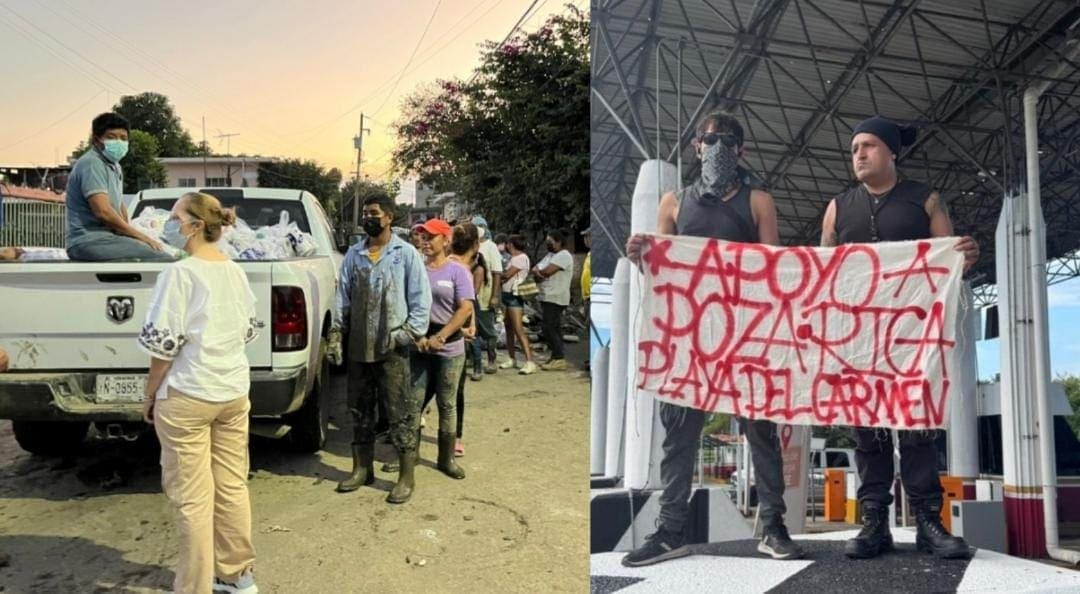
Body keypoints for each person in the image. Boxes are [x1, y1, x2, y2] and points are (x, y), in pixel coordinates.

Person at [624, 111, 802, 565]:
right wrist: (640, 254)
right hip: (689, 338)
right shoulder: (673, 203)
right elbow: (660, 270)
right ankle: (670, 530)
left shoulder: (758, 201)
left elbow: (772, 267)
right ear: (695, 147)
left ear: (740, 149)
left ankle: (773, 525)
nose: (717, 146)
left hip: (746, 335)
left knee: (760, 432)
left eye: (727, 140)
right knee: (679, 436)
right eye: (709, 139)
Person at [821, 115, 978, 560]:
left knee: (917, 433)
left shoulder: (924, 201)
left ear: (892, 151)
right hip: (858, 341)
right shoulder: (838, 207)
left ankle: (929, 523)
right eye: (854, 149)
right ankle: (874, 523)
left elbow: (952, 263)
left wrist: (965, 254)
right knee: (867, 435)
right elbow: (821, 274)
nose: (859, 155)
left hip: (913, 341)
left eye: (868, 146)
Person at [138, 191, 258, 594]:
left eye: (174, 217)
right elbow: (248, 330)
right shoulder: (235, 271)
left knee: (192, 498)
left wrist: (150, 394)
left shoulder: (180, 274)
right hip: (232, 391)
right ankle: (237, 577)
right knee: (231, 486)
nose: (168, 225)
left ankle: (194, 586)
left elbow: (163, 347)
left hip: (189, 393)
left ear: (192, 225)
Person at [330, 193, 431, 504]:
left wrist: (406, 334)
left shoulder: (406, 254)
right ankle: (362, 469)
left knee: (399, 412)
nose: (368, 218)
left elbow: (420, 300)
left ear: (389, 217)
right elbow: (342, 296)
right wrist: (336, 333)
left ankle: (405, 475)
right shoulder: (354, 255)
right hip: (359, 348)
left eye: (373, 213)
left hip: (393, 351)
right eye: (366, 213)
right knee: (359, 410)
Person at [65, 113, 173, 262]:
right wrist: (143, 238)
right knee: (164, 258)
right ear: (97, 140)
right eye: (111, 137)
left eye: (123, 138)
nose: (119, 142)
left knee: (163, 249)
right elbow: (103, 212)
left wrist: (133, 235)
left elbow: (119, 205)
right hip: (90, 241)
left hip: (109, 239)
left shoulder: (114, 166)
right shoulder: (92, 163)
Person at [413, 218, 472, 480]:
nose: (425, 241)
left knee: (447, 404)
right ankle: (408, 454)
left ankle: (445, 459)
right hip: (420, 347)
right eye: (423, 237)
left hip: (449, 348)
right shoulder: (417, 269)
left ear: (445, 240)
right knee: (413, 402)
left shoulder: (457, 271)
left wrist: (441, 336)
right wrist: (417, 337)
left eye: (431, 237)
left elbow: (466, 308)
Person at [449, 223, 483, 455]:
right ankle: (455, 438)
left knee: (444, 392)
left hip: (449, 335)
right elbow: (467, 306)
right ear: (476, 245)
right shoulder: (458, 268)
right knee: (454, 392)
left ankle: (452, 437)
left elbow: (469, 304)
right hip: (449, 336)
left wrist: (471, 325)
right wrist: (467, 326)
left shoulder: (452, 265)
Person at [532, 230, 574, 371]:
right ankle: (556, 356)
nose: (548, 244)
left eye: (551, 241)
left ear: (559, 242)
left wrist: (540, 273)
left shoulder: (564, 255)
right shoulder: (551, 255)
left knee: (548, 327)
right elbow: (536, 269)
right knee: (554, 327)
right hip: (547, 295)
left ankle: (559, 357)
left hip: (557, 296)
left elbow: (546, 272)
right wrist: (540, 273)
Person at [499, 234, 539, 375]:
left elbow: (506, 275)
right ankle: (511, 357)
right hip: (507, 295)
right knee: (508, 327)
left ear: (511, 244)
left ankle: (529, 361)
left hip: (515, 297)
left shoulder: (521, 258)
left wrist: (496, 275)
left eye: (508, 243)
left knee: (518, 328)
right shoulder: (513, 258)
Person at [472, 216, 502, 373]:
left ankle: (492, 360)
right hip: (471, 295)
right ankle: (475, 361)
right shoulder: (470, 246)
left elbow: (497, 272)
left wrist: (495, 296)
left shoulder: (491, 247)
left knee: (488, 330)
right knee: (473, 330)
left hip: (485, 294)